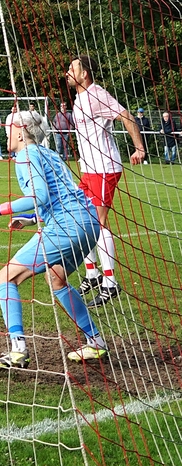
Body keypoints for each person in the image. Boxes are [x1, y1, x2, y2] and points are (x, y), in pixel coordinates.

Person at [0, 108, 108, 368]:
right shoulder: (49, 153)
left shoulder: (26, 155)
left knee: (5, 277)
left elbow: (40, 196)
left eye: (10, 128)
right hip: (89, 222)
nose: (6, 132)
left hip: (67, 226)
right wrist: (32, 219)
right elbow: (61, 195)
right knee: (56, 278)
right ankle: (96, 342)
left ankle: (17, 350)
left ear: (21, 133)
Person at [68, 55, 146, 307]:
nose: (67, 72)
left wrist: (139, 148)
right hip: (89, 169)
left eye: (72, 68)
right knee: (79, 218)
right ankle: (92, 275)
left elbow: (127, 116)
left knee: (98, 223)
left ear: (84, 74)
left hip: (104, 168)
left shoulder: (97, 94)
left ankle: (110, 284)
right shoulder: (79, 99)